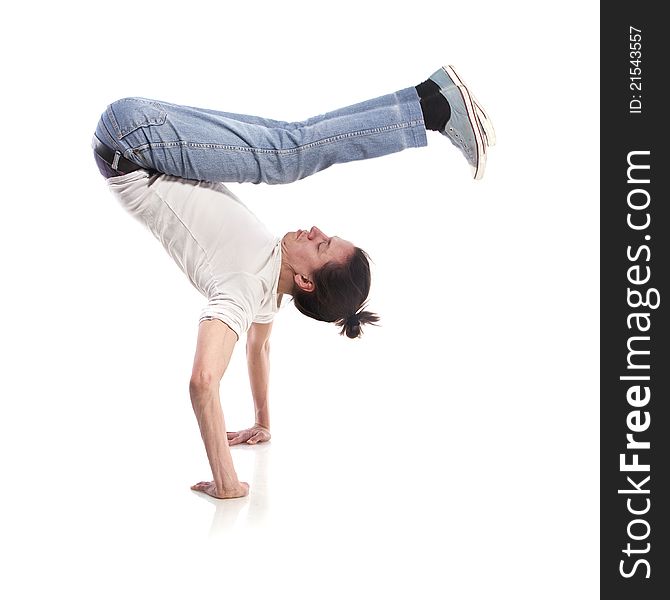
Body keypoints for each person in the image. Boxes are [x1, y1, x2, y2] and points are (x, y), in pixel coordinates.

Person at [93, 65, 494, 499]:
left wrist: (227, 480)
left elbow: (204, 380)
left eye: (322, 246)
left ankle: (434, 108)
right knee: (294, 138)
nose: (316, 231)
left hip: (133, 143)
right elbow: (259, 346)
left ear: (305, 281)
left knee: (289, 154)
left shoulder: (243, 288)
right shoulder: (268, 289)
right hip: (142, 135)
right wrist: (263, 421)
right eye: (328, 238)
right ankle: (428, 96)